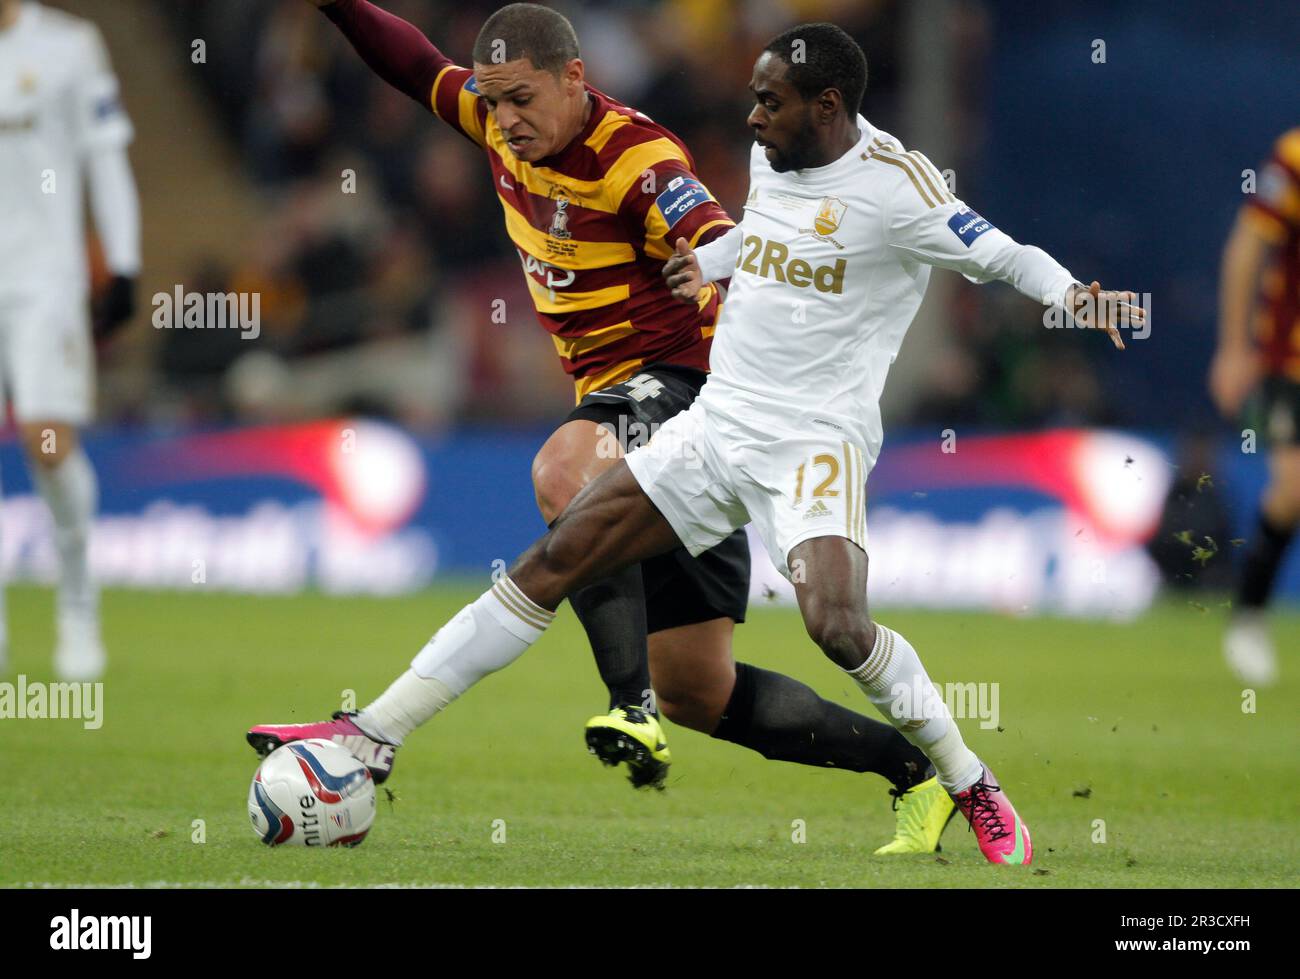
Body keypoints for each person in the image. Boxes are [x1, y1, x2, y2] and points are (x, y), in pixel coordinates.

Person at [251, 21, 1143, 864]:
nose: (751, 118)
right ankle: (374, 734)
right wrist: (711, 263)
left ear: (826, 106)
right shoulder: (775, 153)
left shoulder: (901, 190)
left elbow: (1002, 253)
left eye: (770, 102)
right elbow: (770, 234)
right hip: (718, 422)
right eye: (754, 98)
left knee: (836, 625)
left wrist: (1082, 297)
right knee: (556, 559)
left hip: (813, 442)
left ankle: (968, 780)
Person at [0, 0, 139, 680]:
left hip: (43, 280)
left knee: (44, 439)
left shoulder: (69, 46)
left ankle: (78, 601)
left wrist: (124, 261)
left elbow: (106, 156)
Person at [1211, 128, 1300, 687]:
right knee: (1293, 489)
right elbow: (1246, 247)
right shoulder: (1294, 155)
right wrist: (1234, 347)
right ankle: (1248, 617)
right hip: (1290, 362)